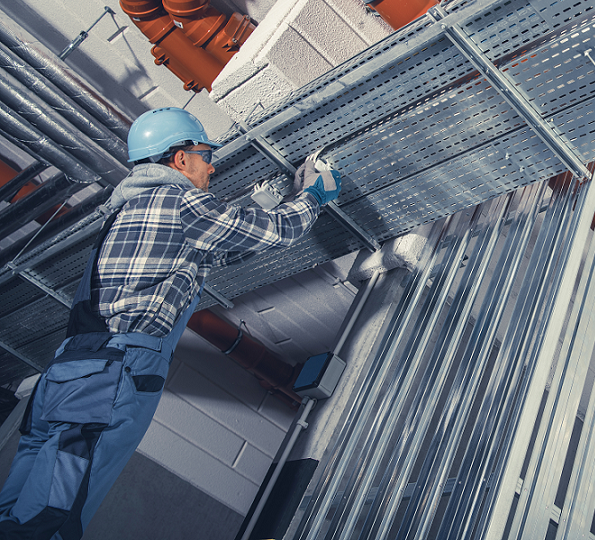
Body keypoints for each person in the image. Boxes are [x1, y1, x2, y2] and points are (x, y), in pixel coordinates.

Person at [0, 106, 341, 539]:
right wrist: (312, 197)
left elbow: (211, 251)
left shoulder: (126, 212)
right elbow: (271, 234)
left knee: (18, 507)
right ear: (179, 159)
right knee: (52, 516)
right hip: (113, 373)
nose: (211, 165)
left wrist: (256, 206)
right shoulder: (178, 200)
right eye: (204, 154)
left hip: (69, 372)